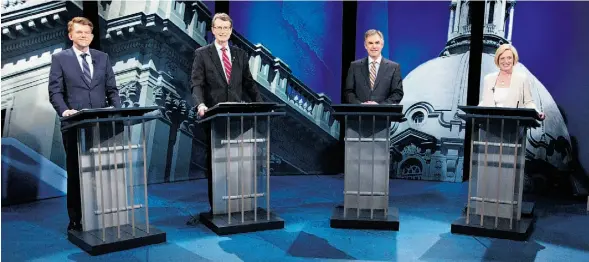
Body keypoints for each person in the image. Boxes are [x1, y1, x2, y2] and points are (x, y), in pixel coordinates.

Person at [48, 17, 121, 231]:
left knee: (103, 172)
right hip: (74, 126)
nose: (84, 36)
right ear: (71, 35)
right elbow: (55, 92)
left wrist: (117, 110)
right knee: (77, 173)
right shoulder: (60, 58)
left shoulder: (102, 57)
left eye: (87, 33)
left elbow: (112, 90)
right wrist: (65, 111)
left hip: (101, 125)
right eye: (79, 32)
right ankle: (76, 219)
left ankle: (103, 214)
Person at [190, 13, 263, 210]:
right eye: (219, 28)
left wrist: (260, 104)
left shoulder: (240, 55)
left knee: (239, 163)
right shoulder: (202, 54)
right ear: (213, 30)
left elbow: (249, 83)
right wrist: (200, 105)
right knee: (217, 164)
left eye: (226, 28)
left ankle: (240, 204)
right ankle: (218, 208)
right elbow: (196, 84)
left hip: (238, 119)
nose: (222, 32)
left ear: (230, 31)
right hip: (214, 118)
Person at [479, 44, 546, 120]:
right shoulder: (488, 79)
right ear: (497, 60)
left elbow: (528, 102)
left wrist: (537, 112)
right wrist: (474, 112)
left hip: (512, 126)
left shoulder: (522, 79)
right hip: (489, 125)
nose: (506, 61)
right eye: (502, 58)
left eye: (509, 58)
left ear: (514, 59)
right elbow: (485, 102)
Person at [344, 29, 404, 104]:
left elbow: (397, 94)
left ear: (382, 44)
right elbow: (348, 92)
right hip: (360, 113)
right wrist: (361, 105)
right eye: (370, 43)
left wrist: (379, 106)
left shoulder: (394, 67)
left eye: (377, 43)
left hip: (384, 114)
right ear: (365, 45)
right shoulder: (354, 66)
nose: (374, 46)